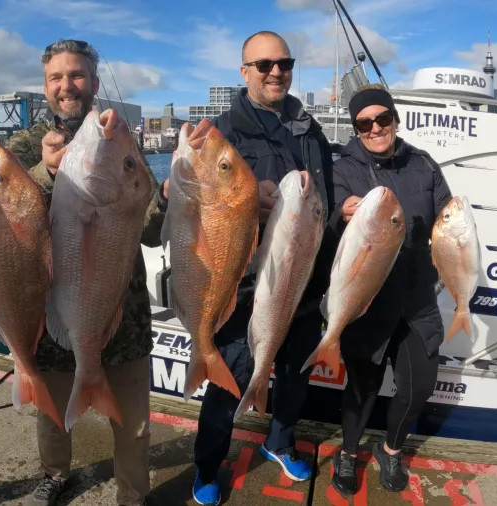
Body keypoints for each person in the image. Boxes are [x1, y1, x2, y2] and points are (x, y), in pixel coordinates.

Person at [5, 39, 169, 506]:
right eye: (56, 77)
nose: (66, 86)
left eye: (76, 75)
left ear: (94, 84)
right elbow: (2, 214)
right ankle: (55, 474)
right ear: (45, 87)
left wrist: (168, 198)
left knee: (134, 424)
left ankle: (133, 496)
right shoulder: (26, 143)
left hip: (126, 314)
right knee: (52, 412)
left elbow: (151, 231)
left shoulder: (121, 140)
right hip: (50, 309)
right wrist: (44, 173)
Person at [190, 31, 337, 505]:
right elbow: (196, 208)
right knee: (230, 375)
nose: (276, 72)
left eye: (285, 63)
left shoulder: (309, 127)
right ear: (244, 72)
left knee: (294, 372)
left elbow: (326, 201)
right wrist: (253, 202)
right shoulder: (221, 132)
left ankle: (280, 441)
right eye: (264, 64)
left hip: (303, 279)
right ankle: (209, 466)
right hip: (246, 282)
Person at [328, 84, 452, 496]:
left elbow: (445, 215)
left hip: (417, 299)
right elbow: (330, 210)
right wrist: (341, 211)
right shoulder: (342, 168)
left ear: (395, 120)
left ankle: (390, 449)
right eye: (365, 123)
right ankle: (347, 453)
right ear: (356, 128)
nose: (375, 127)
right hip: (368, 300)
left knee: (419, 388)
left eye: (383, 118)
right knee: (361, 387)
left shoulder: (424, 163)